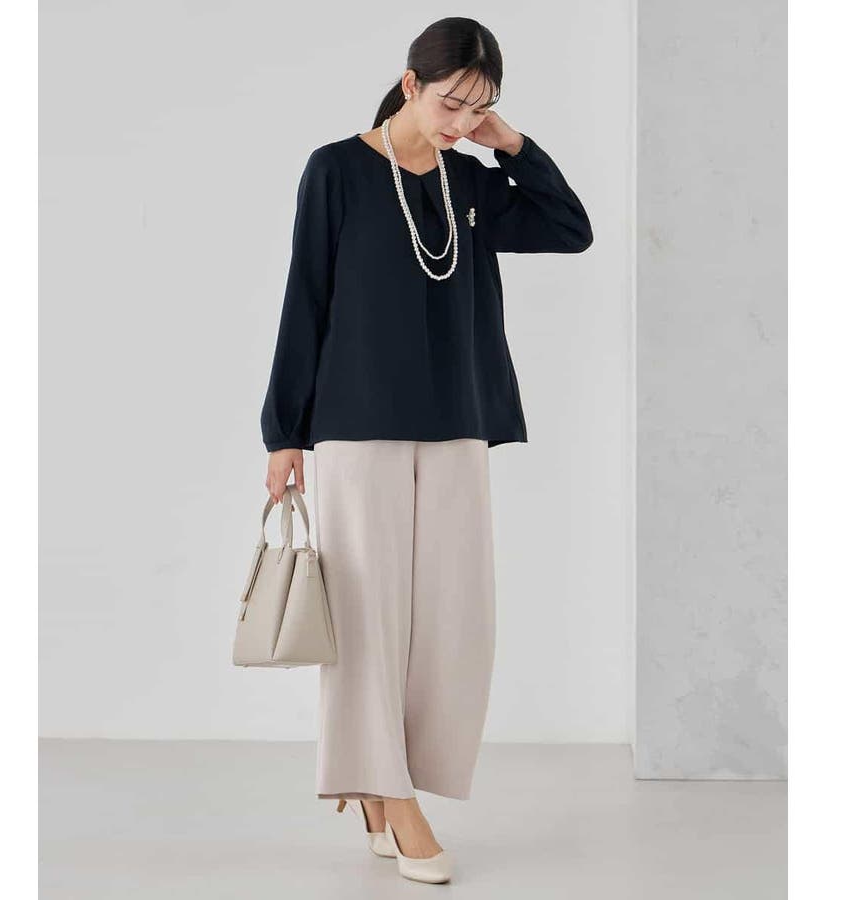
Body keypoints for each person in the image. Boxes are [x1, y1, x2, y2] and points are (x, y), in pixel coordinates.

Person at [259, 16, 592, 884]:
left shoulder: (471, 181)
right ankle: (391, 794)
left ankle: (389, 783)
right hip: (355, 424)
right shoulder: (336, 169)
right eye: (451, 103)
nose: (460, 122)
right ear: (410, 84)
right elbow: (306, 295)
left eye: (479, 108)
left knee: (453, 619)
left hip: (458, 421)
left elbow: (570, 228)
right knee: (366, 617)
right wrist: (284, 431)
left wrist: (509, 145)